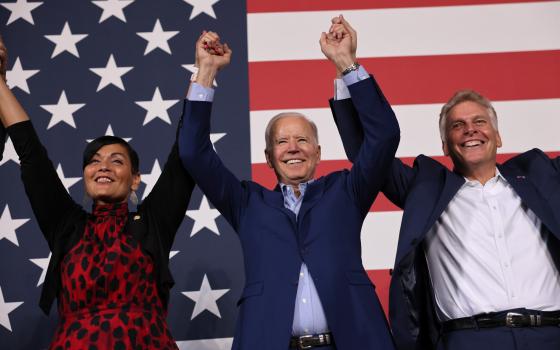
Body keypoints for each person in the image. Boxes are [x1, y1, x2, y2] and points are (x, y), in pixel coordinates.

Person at [329, 16, 560, 350]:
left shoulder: (540, 175)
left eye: (480, 121)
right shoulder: (426, 188)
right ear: (445, 145)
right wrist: (347, 66)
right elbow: (367, 150)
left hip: (550, 335)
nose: (470, 129)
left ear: (497, 136)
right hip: (470, 340)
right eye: (458, 125)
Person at [178, 28, 399, 350]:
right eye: (282, 142)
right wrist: (207, 71)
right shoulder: (247, 203)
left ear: (318, 152)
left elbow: (384, 137)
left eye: (302, 140)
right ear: (269, 158)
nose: (293, 148)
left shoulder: (346, 191)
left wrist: (345, 62)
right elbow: (193, 153)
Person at [0, 36, 194, 349]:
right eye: (93, 161)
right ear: (86, 176)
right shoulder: (67, 225)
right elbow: (30, 152)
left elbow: (185, 152)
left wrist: (205, 73)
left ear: (135, 179)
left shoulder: (152, 222)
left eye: (116, 161)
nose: (102, 167)